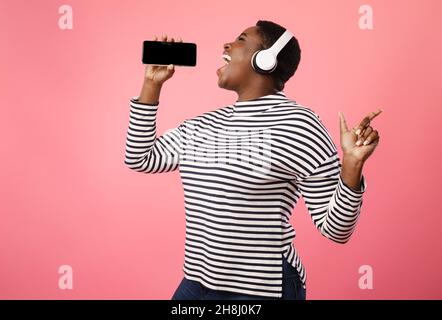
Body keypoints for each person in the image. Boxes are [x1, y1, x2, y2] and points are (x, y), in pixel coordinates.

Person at [124, 20, 382, 300]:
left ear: (265, 59)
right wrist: (151, 84)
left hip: (263, 288)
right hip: (197, 283)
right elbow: (140, 157)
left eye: (241, 40)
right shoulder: (204, 125)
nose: (226, 45)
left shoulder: (299, 125)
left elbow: (336, 230)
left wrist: (352, 166)